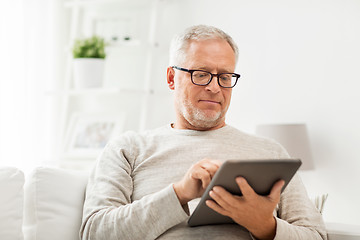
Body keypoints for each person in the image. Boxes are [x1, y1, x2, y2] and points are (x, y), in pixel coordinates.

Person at [80, 25, 327, 240]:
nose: (214, 87)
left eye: (225, 76)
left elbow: (315, 235)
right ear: (171, 78)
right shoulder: (128, 149)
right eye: (201, 74)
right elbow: (95, 233)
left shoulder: (271, 153)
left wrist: (265, 226)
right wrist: (179, 194)